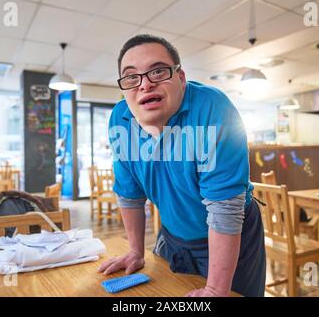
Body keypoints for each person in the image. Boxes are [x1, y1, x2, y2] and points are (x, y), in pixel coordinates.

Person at [98, 34, 266, 297]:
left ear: (181, 77)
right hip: (174, 234)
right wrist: (135, 251)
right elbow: (129, 195)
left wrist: (215, 289)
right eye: (131, 77)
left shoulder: (213, 108)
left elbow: (224, 210)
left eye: (158, 71)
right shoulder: (120, 119)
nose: (145, 84)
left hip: (234, 235)